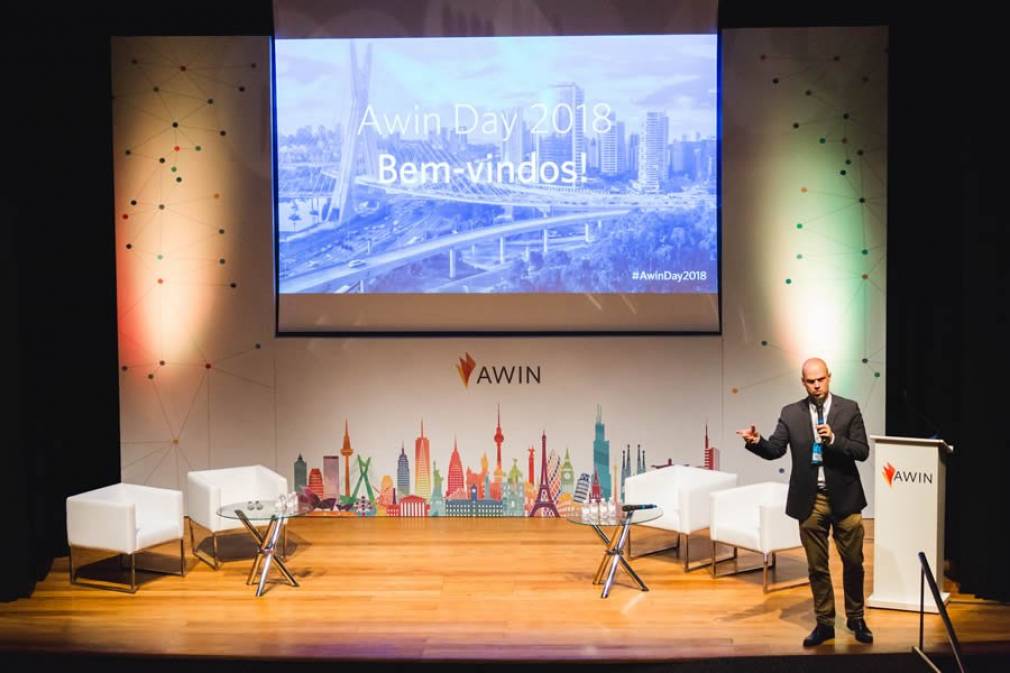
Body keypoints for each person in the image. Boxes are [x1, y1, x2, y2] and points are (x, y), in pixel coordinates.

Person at [736, 358, 873, 647]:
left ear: (829, 377)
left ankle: (856, 617)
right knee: (817, 567)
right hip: (811, 500)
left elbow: (862, 451)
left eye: (821, 379)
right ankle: (825, 623)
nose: (817, 386)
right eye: (811, 381)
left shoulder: (849, 408)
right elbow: (775, 450)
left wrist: (834, 439)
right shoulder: (791, 413)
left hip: (846, 498)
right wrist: (755, 441)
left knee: (853, 563)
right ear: (803, 382)